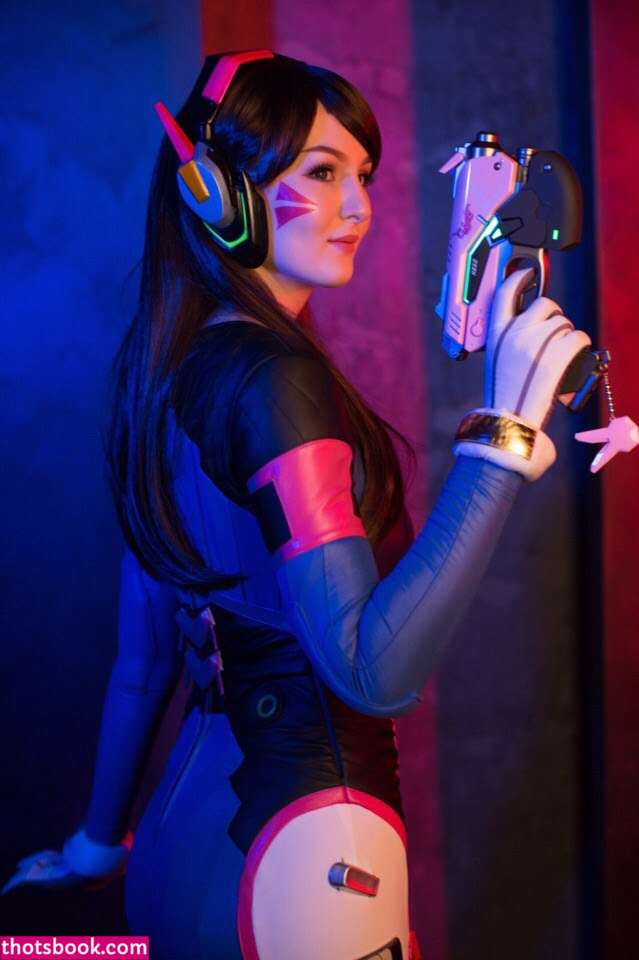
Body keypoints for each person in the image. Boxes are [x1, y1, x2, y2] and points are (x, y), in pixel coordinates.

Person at [2, 51, 590, 960]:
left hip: (181, 840)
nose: (357, 206)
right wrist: (501, 440)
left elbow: (144, 662)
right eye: (320, 172)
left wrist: (96, 845)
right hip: (313, 854)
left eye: (362, 174)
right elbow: (370, 673)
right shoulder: (273, 381)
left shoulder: (170, 371)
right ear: (214, 191)